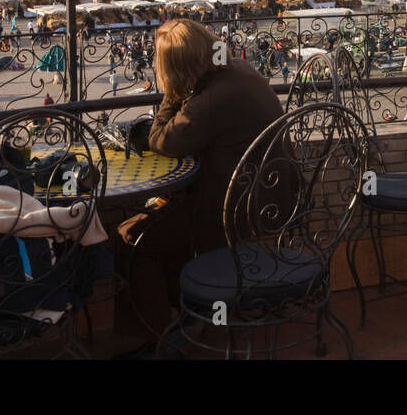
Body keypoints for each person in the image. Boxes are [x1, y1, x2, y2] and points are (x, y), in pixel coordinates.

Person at [116, 19, 283, 345]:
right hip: (275, 202)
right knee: (164, 223)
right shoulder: (238, 71)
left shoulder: (209, 101)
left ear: (178, 66)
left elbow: (161, 140)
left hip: (232, 216)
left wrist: (172, 91)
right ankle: (196, 313)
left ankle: (155, 341)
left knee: (132, 237)